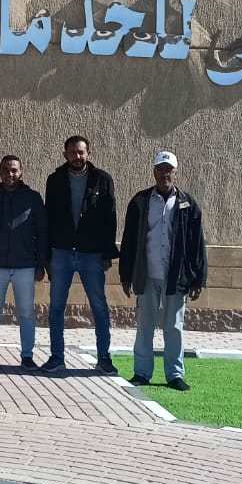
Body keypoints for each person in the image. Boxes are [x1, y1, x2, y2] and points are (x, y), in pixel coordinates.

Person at [120, 151, 207, 391]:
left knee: (174, 327)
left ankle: (175, 375)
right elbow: (129, 240)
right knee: (144, 326)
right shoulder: (140, 201)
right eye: (160, 169)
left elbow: (197, 243)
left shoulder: (188, 204)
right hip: (146, 274)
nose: (164, 174)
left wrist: (198, 278)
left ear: (175, 172)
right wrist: (126, 274)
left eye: (168, 169)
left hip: (175, 277)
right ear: (154, 171)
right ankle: (141, 373)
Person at [42, 135, 118, 373]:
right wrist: (47, 255)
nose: (77, 156)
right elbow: (48, 217)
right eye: (73, 152)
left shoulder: (102, 180)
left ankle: (104, 359)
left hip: (91, 254)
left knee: (99, 307)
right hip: (61, 252)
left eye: (81, 152)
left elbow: (110, 218)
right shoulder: (55, 180)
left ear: (88, 153)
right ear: (65, 154)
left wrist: (107, 252)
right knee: (56, 308)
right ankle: (57, 358)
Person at [0, 155, 48, 369]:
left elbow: (42, 232)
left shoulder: (33, 198)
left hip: (25, 265)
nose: (10, 174)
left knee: (26, 312)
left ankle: (27, 356)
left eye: (14, 170)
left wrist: (41, 263)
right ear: (0, 172)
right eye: (6, 170)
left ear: (21, 172)